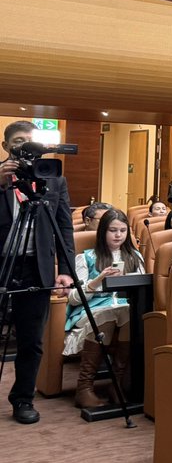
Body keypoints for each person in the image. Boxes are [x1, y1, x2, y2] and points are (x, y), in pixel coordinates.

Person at [0, 122, 76, 424]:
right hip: (2, 262)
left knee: (31, 341)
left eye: (32, 142)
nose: (27, 147)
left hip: (36, 267)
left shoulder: (53, 179)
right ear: (7, 147)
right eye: (19, 142)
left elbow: (64, 226)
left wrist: (67, 270)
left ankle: (22, 399)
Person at [70, 208, 141, 408]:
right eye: (112, 230)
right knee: (109, 315)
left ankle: (116, 384)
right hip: (93, 311)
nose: (118, 235)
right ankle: (84, 388)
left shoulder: (135, 256)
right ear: (102, 232)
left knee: (129, 314)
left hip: (125, 310)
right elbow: (74, 298)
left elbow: (143, 286)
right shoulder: (86, 257)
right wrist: (98, 280)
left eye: (122, 230)